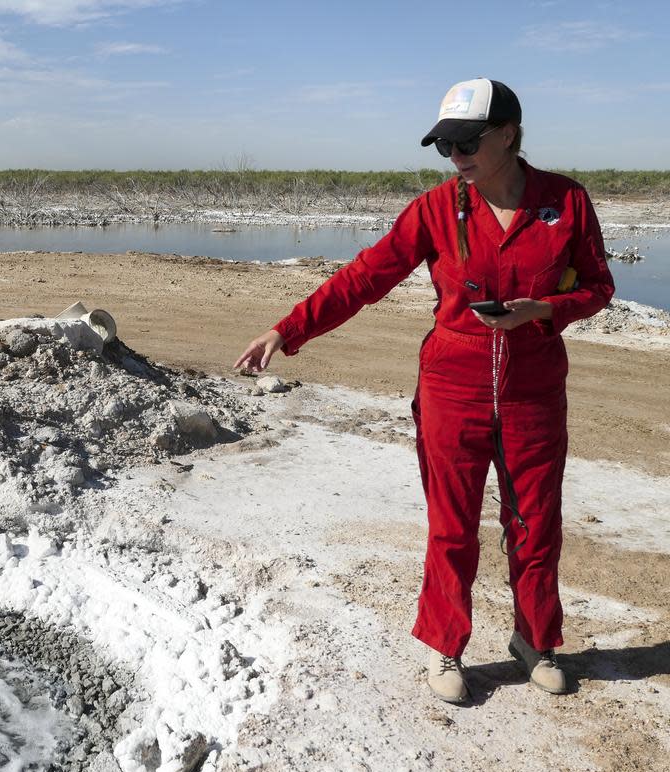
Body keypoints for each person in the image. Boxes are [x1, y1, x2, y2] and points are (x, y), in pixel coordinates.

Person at [233, 78, 614, 704]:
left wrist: (542, 310)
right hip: (452, 387)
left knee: (536, 523)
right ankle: (446, 649)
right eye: (445, 144)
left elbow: (598, 286)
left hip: (534, 391)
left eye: (468, 140)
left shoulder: (565, 202)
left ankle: (535, 641)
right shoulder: (437, 209)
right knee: (452, 525)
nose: (456, 154)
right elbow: (364, 277)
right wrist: (287, 329)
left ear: (509, 134)